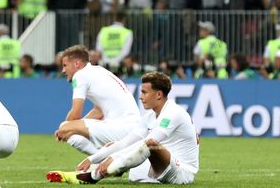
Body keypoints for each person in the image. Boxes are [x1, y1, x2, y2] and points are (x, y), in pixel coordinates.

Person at [47, 72, 198, 185]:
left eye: (144, 92)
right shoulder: (149, 117)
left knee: (150, 144)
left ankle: (93, 177)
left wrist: (115, 158)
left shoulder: (173, 113)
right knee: (114, 146)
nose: (140, 97)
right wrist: (92, 158)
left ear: (158, 94)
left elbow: (149, 142)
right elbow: (125, 142)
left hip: (181, 171)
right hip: (159, 167)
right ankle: (93, 169)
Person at [54, 45, 141, 156]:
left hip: (121, 128)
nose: (63, 70)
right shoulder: (99, 71)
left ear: (76, 64)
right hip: (134, 130)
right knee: (69, 129)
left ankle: (104, 160)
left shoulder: (80, 75)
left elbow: (75, 115)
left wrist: (66, 128)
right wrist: (74, 127)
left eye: (65, 65)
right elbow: (98, 111)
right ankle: (110, 159)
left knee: (64, 127)